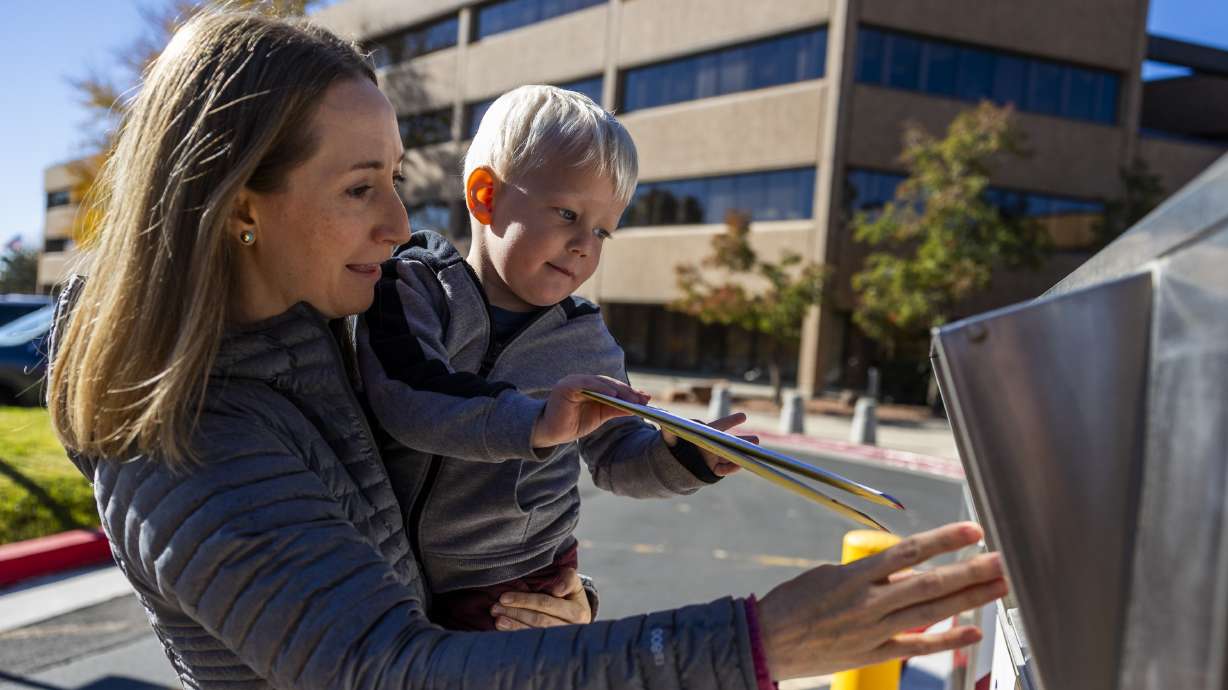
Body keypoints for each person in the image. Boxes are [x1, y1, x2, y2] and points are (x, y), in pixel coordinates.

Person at [47, 10, 1007, 689]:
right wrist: (761, 642)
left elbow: (440, 553)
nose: (396, 222)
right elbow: (386, 666)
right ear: (240, 205)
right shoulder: (189, 440)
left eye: (394, 181)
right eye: (358, 188)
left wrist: (559, 605)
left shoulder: (333, 321)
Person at [357, 84, 750, 631]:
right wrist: (536, 422)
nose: (585, 244)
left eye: (602, 231)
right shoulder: (413, 288)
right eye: (566, 213)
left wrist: (681, 459)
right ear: (485, 195)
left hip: (519, 584)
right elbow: (409, 394)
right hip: (386, 571)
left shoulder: (587, 340)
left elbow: (615, 457)